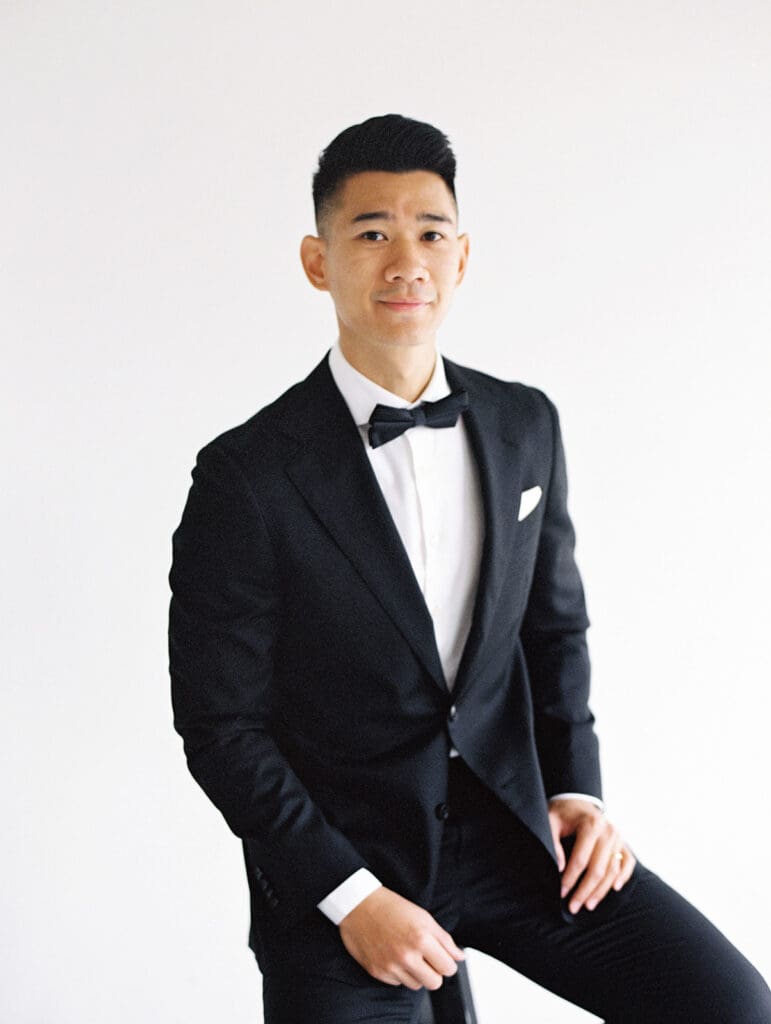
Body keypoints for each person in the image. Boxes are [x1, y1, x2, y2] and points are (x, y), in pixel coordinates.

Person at [168, 114, 770, 1023]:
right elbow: (221, 726)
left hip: (513, 840)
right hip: (344, 864)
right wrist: (349, 896)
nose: (404, 260)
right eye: (371, 233)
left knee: (729, 1007)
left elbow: (550, 631)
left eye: (429, 233)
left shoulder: (524, 423)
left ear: (461, 257)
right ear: (317, 261)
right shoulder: (246, 474)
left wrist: (575, 788)